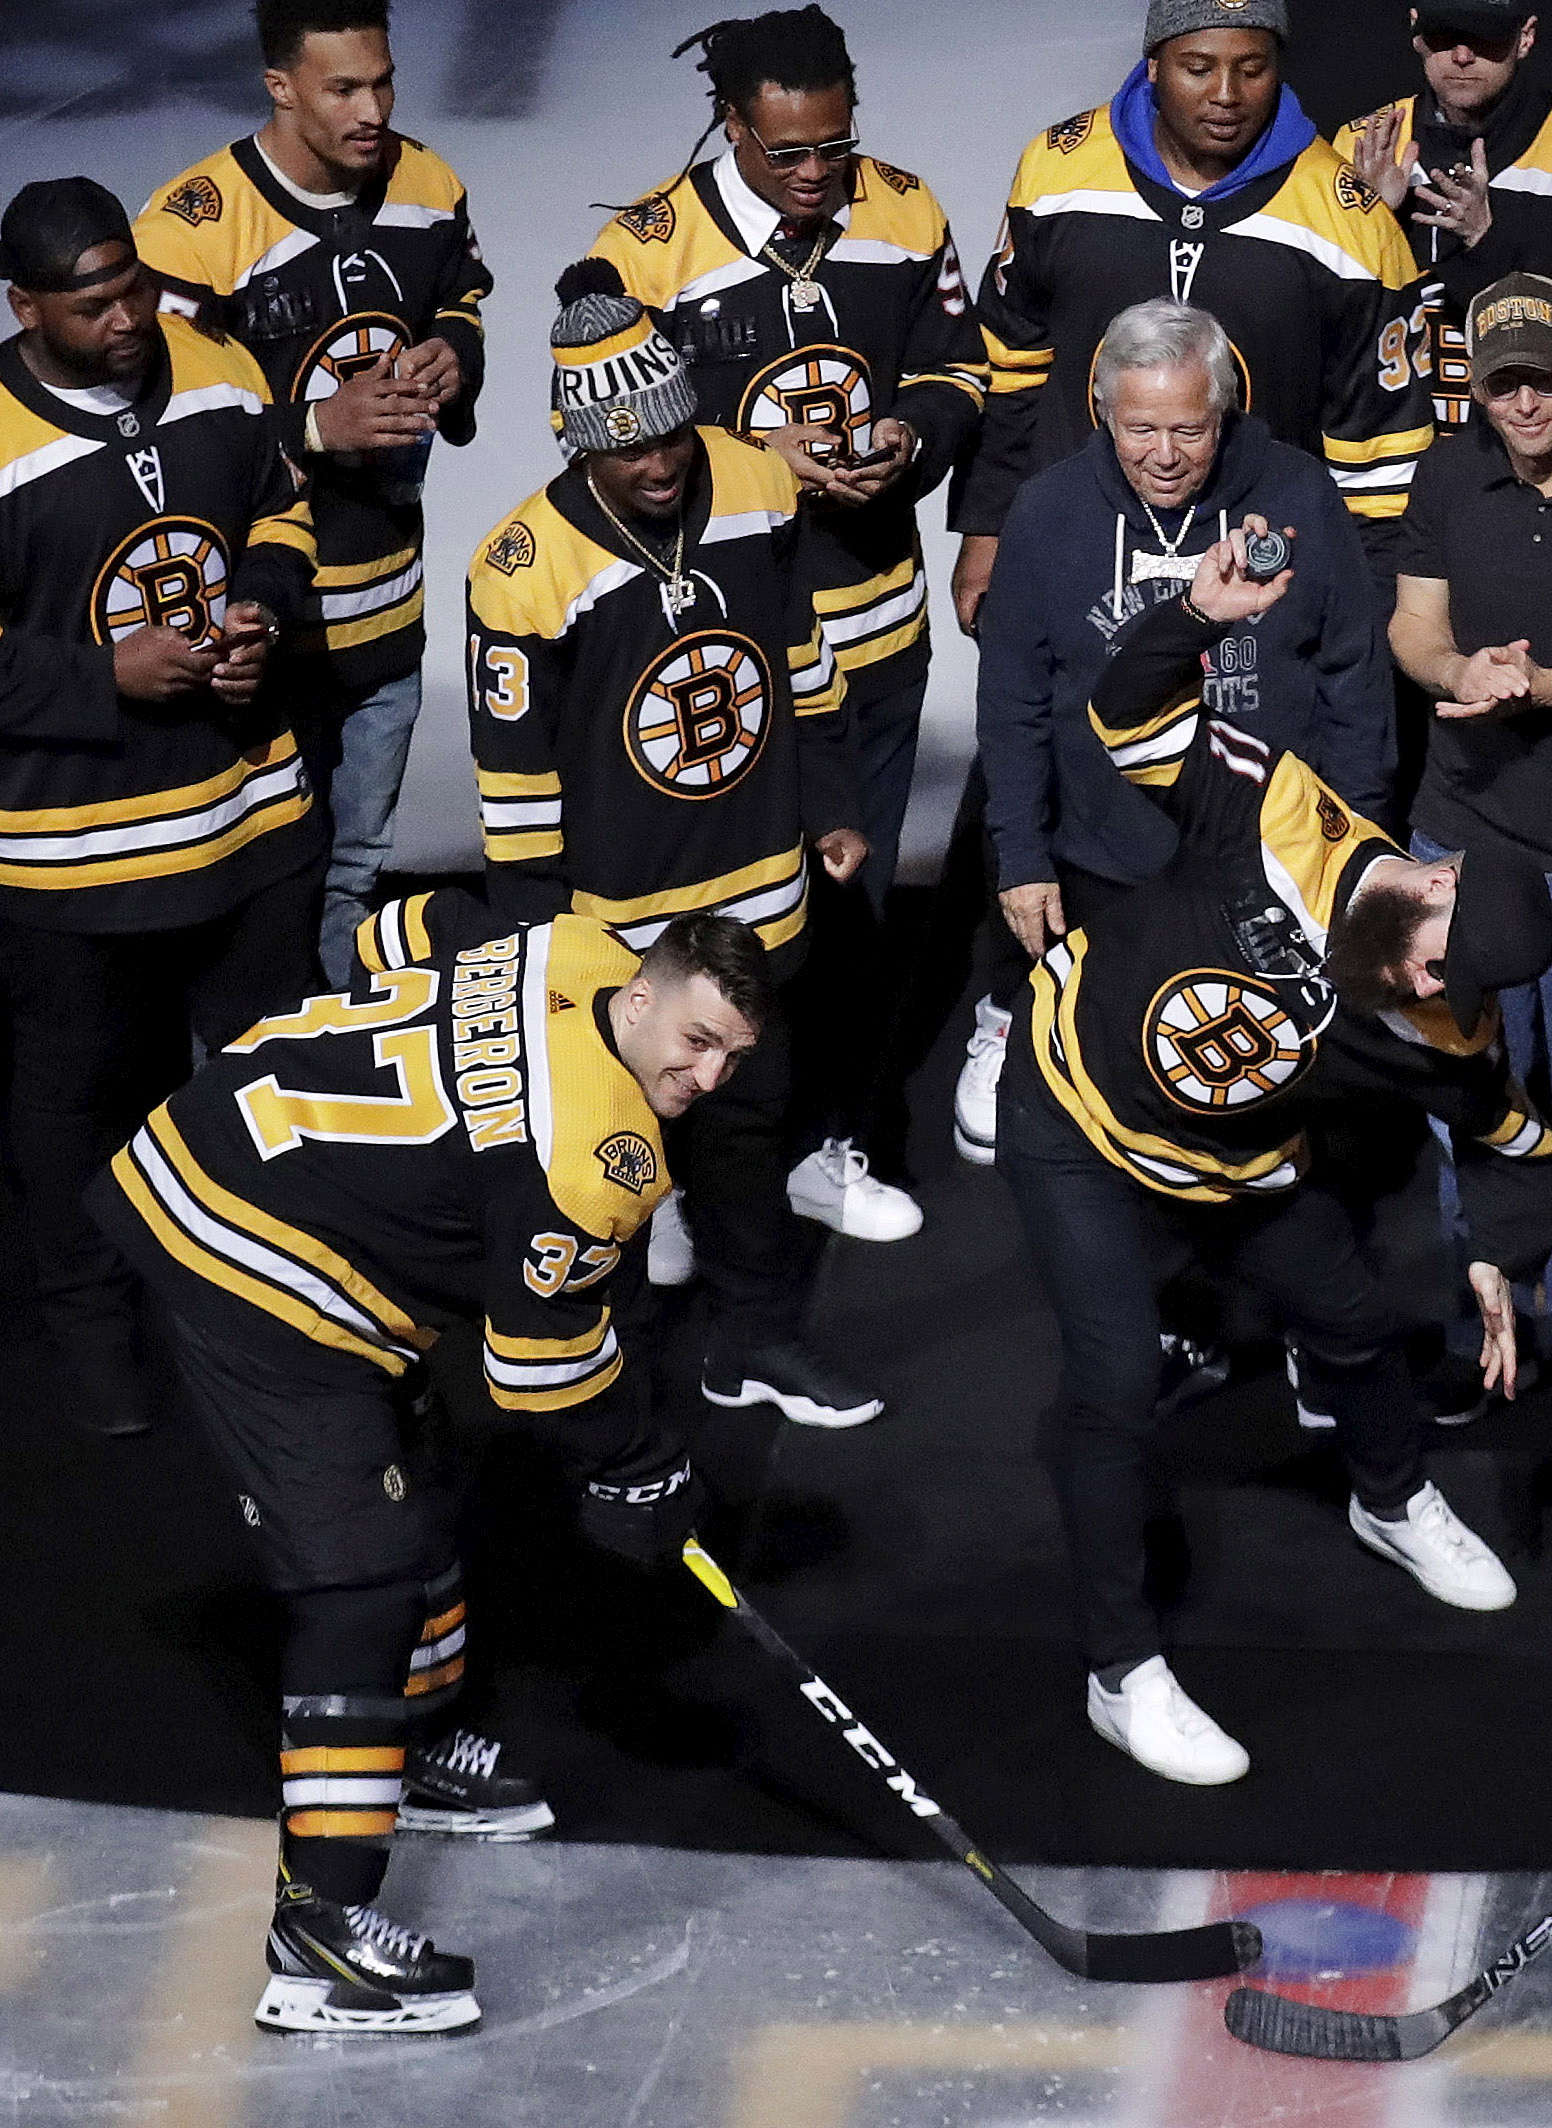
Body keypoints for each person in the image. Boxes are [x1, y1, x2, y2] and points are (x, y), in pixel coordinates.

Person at [91, 893, 765, 2033]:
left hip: (251, 1157)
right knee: (360, 1581)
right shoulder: (597, 1157)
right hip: (247, 1250)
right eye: (696, 1041)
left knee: (423, 1472)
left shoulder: (571, 943)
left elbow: (394, 931)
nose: (707, 1077)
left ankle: (405, 1754)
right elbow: (540, 1372)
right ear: (642, 995)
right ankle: (320, 1943)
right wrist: (641, 1461)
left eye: (733, 1057)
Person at [999, 527, 1552, 1785]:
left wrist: (1500, 1254)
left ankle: (1390, 1498)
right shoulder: (1285, 816)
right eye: (1441, 956)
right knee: (1114, 1383)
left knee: (1357, 1320)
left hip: (1236, 1165)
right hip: (1074, 1107)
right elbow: (1125, 714)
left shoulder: (1441, 1020)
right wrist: (1195, 620)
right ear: (1438, 874)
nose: (1433, 985)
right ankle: (1120, 1672)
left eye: (1456, 985)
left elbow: (1516, 1138)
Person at [580, 6, 990, 1246]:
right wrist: (759, 455)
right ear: (729, 126)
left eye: (833, 145)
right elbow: (597, 442)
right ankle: (659, 1173)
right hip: (731, 668)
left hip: (879, 635)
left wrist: (911, 435)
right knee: (709, 935)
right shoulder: (643, 252)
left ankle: (826, 1141)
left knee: (849, 919)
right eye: (786, 153)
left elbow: (961, 368)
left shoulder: (903, 209)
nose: (817, 174)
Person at [464, 287, 882, 1429]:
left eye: (667, 434)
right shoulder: (520, 567)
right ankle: (608, 1386)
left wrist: (834, 802)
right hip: (621, 929)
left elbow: (800, 651)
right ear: (574, 439)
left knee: (751, 1128)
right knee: (604, 1162)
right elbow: (515, 780)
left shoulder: (756, 482)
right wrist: (541, 953)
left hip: (760, 894)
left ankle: (754, 1344)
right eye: (625, 447)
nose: (656, 463)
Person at [0, 178, 320, 1440]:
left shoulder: (217, 367)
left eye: (131, 287)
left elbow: (282, 510)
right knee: (77, 1100)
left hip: (250, 819)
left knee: (266, 1077)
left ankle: (277, 1305)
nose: (127, 318)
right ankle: (94, 1335)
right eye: (92, 305)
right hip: (75, 862)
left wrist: (261, 612)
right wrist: (103, 677)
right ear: (25, 308)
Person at [963, 300, 1390, 1164]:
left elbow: (1354, 677)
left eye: (1188, 430)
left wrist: (1358, 846)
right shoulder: (1046, 511)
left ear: (1222, 413)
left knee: (1256, 1097)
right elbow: (1011, 703)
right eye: (1141, 429)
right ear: (1103, 414)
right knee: (1113, 1083)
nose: (1164, 454)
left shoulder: (1299, 494)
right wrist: (1022, 858)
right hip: (1104, 863)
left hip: (1269, 859)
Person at [131, 0, 491, 985]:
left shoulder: (427, 183)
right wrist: (314, 428)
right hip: (260, 637)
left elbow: (459, 301)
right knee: (255, 892)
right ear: (280, 87)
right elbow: (152, 435)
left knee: (353, 876)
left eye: (383, 81)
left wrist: (453, 354)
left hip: (387, 614)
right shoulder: (191, 231)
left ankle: (327, 1065)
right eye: (343, 89)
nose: (373, 109)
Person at [948, 0, 1433, 633]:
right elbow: (1010, 368)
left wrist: (1363, 614)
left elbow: (1381, 454)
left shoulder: (1349, 221)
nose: (1226, 94)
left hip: (1263, 584)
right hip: (1073, 563)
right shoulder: (1057, 172)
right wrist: (986, 529)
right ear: (1153, 65)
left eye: (1252, 69)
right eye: (1198, 68)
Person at [1389, 272, 1552, 1429]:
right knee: (1467, 1097)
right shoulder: (1450, 472)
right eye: (1503, 385)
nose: (1525, 403)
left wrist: (1544, 687)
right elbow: (1413, 623)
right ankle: (1477, 1317)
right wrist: (1458, 670)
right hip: (1459, 838)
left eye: (1544, 378)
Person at [1333, 0, 1552, 428]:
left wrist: (1487, 240)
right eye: (1445, 36)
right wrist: (1373, 223)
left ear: (1525, 37)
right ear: (1416, 33)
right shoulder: (1364, 143)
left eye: (1484, 36)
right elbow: (1330, 323)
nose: (1462, 55)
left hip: (1529, 427)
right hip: (1398, 428)